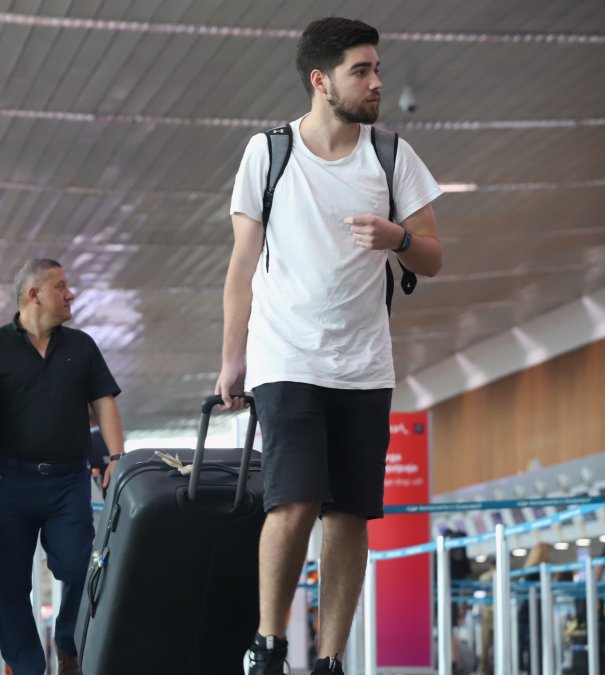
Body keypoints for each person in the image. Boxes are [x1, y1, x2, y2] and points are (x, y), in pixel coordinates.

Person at [214, 17, 444, 674]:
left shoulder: (393, 154)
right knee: (293, 502)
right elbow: (241, 262)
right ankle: (268, 641)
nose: (376, 81)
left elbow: (433, 255)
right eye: (361, 71)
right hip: (286, 356)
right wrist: (233, 357)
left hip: (365, 365)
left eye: (376, 68)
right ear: (321, 80)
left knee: (349, 513)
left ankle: (329, 657)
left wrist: (396, 237)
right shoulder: (269, 151)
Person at [0, 258, 124, 675]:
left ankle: (68, 639)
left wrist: (117, 458)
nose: (70, 293)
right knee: (10, 586)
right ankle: (26, 667)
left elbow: (105, 403)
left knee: (80, 565)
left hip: (68, 481)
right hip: (10, 480)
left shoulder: (82, 346)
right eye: (61, 286)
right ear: (33, 294)